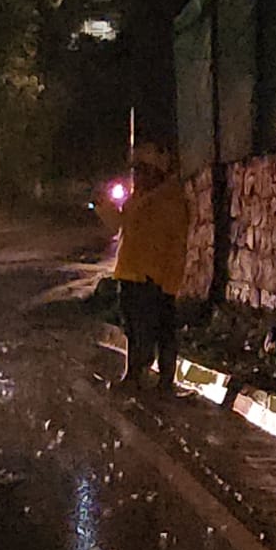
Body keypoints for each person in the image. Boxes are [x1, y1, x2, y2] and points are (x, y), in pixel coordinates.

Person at [98, 141, 190, 393]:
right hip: (131, 272)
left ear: (155, 172)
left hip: (152, 278)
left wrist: (170, 281)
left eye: (141, 170)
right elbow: (120, 225)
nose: (136, 176)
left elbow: (176, 245)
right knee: (135, 327)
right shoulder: (139, 199)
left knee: (155, 329)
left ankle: (156, 380)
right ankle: (137, 376)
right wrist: (103, 207)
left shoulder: (169, 201)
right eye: (135, 171)